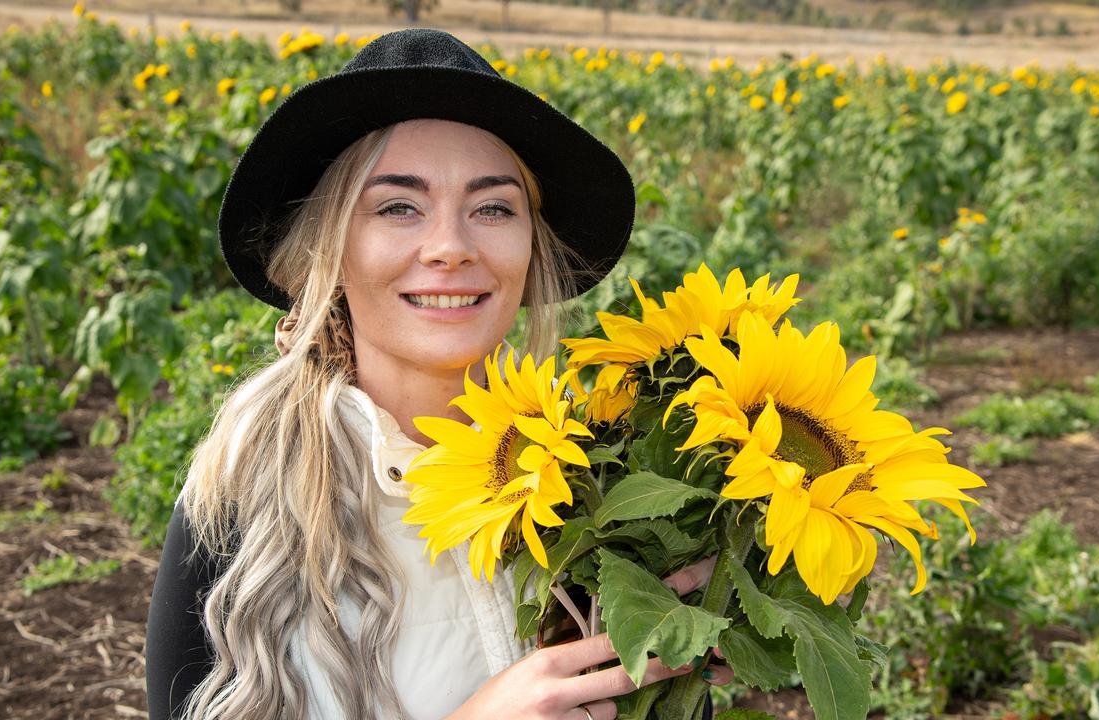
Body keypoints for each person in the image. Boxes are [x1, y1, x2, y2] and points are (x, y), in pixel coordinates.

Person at [144, 29, 732, 720]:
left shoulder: (604, 474)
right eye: (398, 207)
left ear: (530, 249)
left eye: (493, 208)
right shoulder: (245, 491)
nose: (451, 247)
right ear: (330, 247)